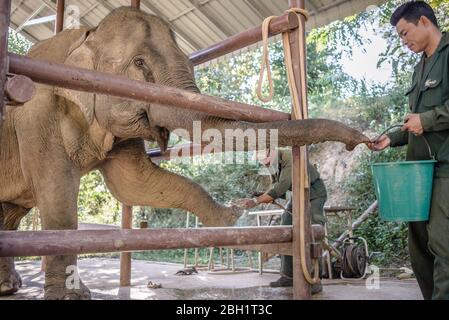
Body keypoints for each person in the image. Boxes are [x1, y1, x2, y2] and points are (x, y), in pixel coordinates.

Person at [370, 1, 449, 300]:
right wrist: (391, 138)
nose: (403, 41)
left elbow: (426, 119)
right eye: (399, 37)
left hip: (444, 170)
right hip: (418, 174)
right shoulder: (420, 68)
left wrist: (426, 120)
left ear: (425, 22)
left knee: (444, 248)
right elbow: (415, 123)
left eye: (405, 33)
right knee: (419, 251)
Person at [234, 148, 327, 294]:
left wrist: (256, 201)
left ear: (272, 154)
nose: (266, 165)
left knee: (312, 232)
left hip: (314, 194)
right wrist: (262, 196)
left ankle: (315, 279)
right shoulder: (275, 163)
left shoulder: (290, 157)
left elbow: (281, 186)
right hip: (297, 195)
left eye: (267, 162)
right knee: (286, 230)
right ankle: (288, 276)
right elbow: (275, 187)